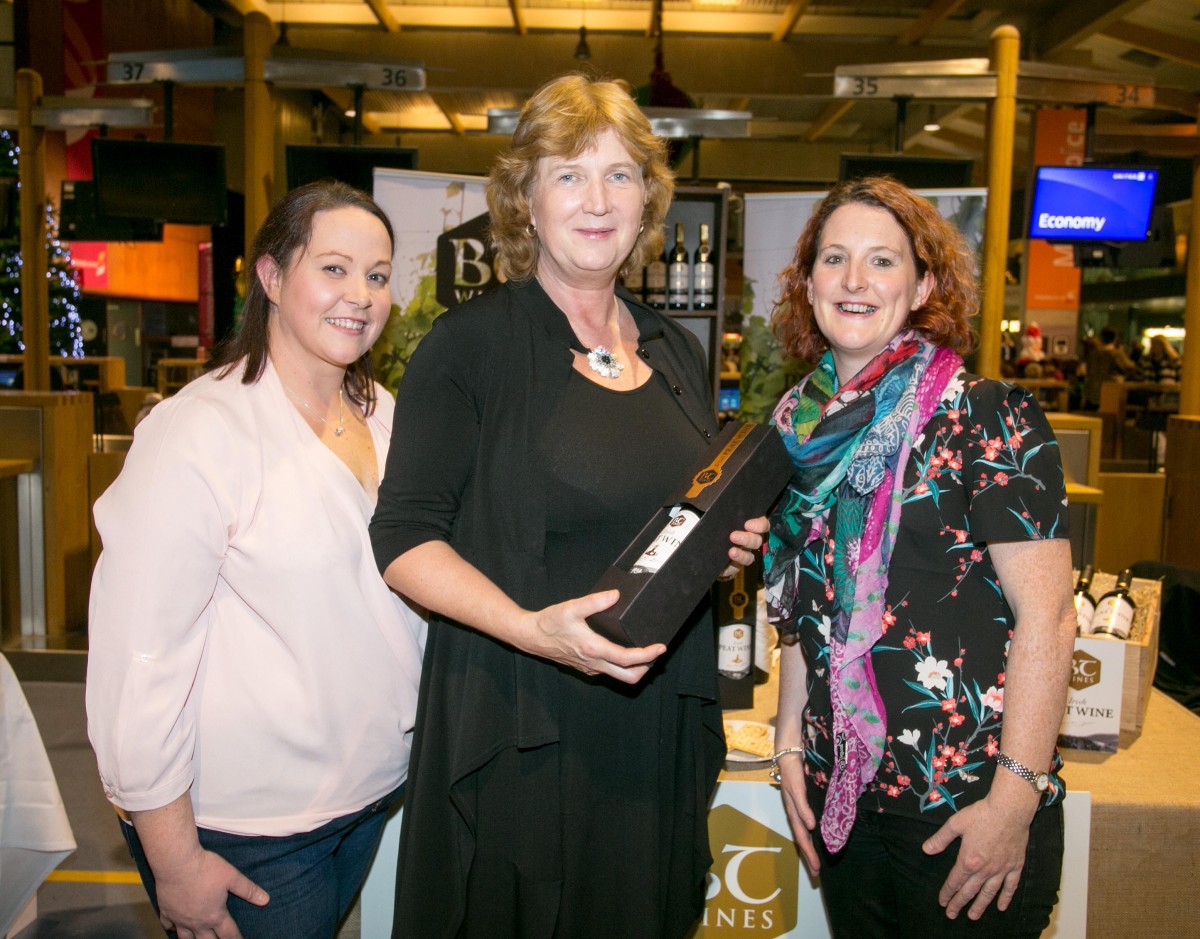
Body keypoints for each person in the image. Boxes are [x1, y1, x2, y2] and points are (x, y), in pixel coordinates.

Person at [369, 73, 767, 939]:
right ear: (526, 197)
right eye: (570, 174)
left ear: (647, 199)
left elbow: (673, 516)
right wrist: (532, 629)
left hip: (651, 724)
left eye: (620, 175)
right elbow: (401, 538)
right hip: (523, 719)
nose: (597, 200)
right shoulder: (469, 348)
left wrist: (722, 543)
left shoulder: (674, 349)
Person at [86, 180, 426, 939]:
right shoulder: (199, 432)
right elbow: (139, 657)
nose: (361, 294)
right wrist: (174, 859)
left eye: (377, 275)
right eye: (334, 268)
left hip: (364, 802)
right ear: (271, 277)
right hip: (246, 832)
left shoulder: (385, 415)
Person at [764, 177, 1076, 937]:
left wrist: (1015, 800)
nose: (855, 280)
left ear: (924, 285)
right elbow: (809, 605)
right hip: (845, 795)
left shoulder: (985, 414)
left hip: (967, 802)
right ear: (808, 283)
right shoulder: (796, 429)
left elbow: (1050, 616)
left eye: (882, 260)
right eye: (834, 258)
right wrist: (788, 739)